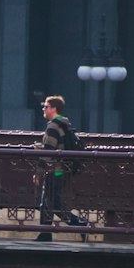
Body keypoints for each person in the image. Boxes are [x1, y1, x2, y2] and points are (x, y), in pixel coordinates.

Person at [35, 95, 86, 242]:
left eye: (46, 106)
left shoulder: (53, 126)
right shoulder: (65, 124)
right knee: (46, 202)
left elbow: (48, 152)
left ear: (53, 108)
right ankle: (45, 234)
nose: (43, 109)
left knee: (52, 203)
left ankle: (80, 224)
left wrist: (38, 173)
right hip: (63, 168)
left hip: (56, 169)